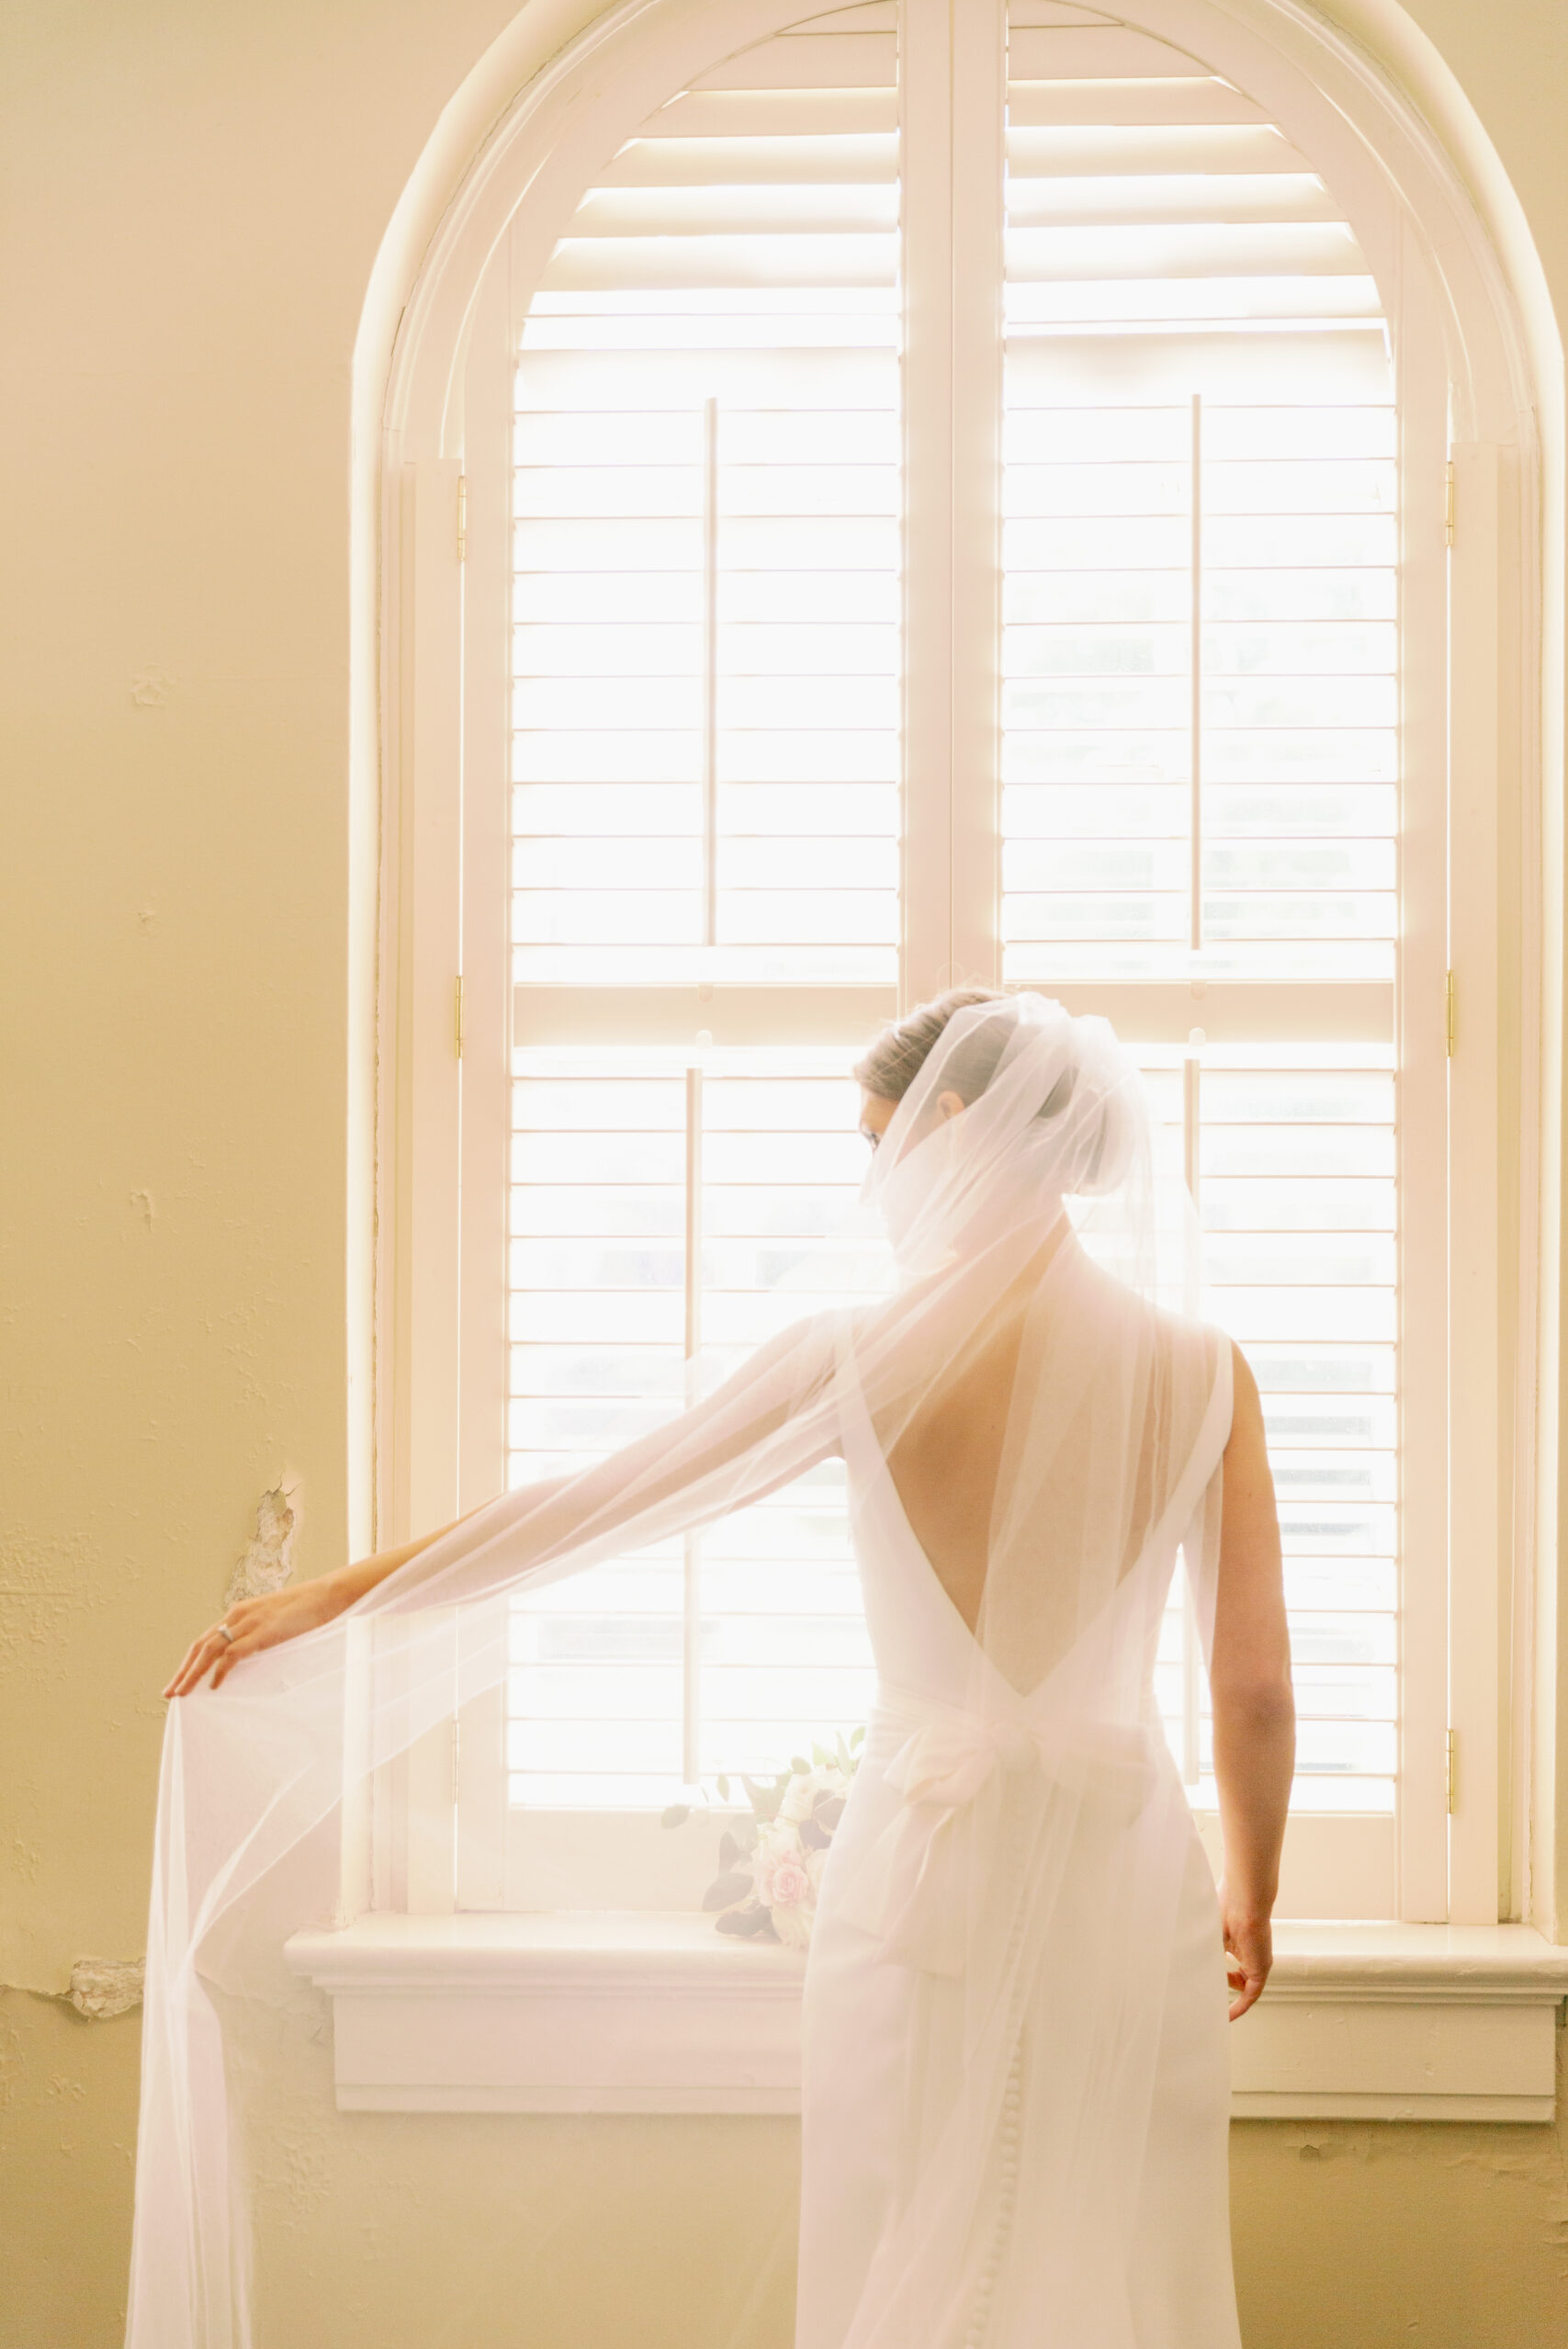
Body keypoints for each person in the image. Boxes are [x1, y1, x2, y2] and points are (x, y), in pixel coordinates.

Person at [154, 988, 1292, 2349]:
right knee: (1110, 2254)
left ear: (953, 1126)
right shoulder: (1202, 1372)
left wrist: (338, 1594)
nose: (871, 1185)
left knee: (892, 2245)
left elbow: (594, 1505)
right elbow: (1256, 1690)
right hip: (1126, 1874)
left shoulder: (858, 1357)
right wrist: (1253, 1888)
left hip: (919, 1870)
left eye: (877, 1143)